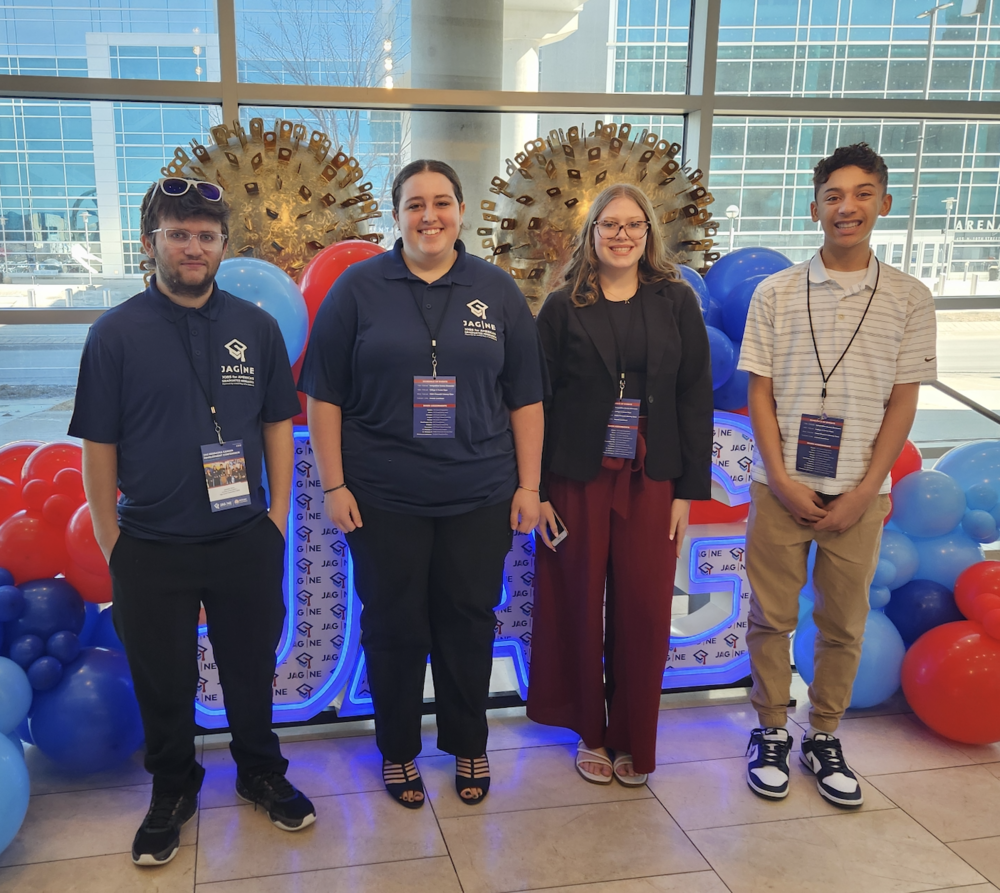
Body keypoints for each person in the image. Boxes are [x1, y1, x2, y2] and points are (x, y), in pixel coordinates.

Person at [70, 177, 315, 867]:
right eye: (178, 234)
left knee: (248, 666)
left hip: (243, 539)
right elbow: (99, 448)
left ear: (223, 246)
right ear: (152, 244)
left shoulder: (256, 328)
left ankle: (260, 771)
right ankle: (173, 787)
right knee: (163, 677)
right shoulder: (113, 334)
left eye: (206, 236)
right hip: (149, 542)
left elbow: (276, 422)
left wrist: (274, 514)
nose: (192, 247)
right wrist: (112, 540)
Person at [300, 159, 545, 809]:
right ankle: (398, 750)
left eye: (441, 201)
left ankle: (468, 741)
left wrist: (529, 486)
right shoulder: (357, 289)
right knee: (394, 626)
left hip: (480, 494)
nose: (429, 215)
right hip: (383, 499)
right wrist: (333, 485)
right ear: (397, 214)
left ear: (461, 210)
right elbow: (322, 395)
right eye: (414, 204)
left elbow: (525, 397)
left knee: (467, 622)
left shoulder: (496, 290)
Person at [739, 143, 937, 807]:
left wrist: (863, 491)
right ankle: (769, 728)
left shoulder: (910, 298)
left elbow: (903, 400)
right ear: (815, 204)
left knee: (844, 623)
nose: (845, 207)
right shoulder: (776, 292)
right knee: (770, 617)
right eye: (832, 195)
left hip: (862, 492)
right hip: (780, 488)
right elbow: (758, 393)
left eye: (860, 194)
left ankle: (823, 733)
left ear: (883, 202)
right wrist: (781, 475)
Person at [526, 183, 714, 786]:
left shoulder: (676, 301)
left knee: (644, 609)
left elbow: (694, 397)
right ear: (592, 234)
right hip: (575, 477)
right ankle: (590, 732)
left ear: (650, 234)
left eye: (634, 225)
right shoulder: (562, 305)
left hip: (651, 478)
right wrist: (540, 491)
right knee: (576, 600)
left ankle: (635, 736)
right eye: (610, 225)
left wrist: (687, 492)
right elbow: (538, 401)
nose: (623, 235)